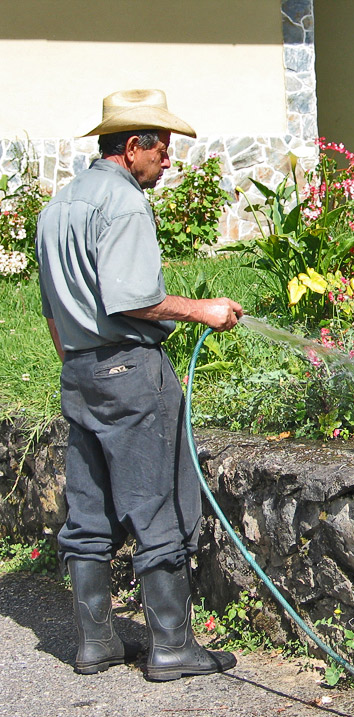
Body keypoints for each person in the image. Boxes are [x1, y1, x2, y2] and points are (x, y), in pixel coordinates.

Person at [35, 89, 243, 681]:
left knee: (89, 510)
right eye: (164, 151)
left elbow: (51, 308)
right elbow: (133, 299)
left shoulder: (58, 206)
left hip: (78, 373)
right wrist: (200, 309)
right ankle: (172, 648)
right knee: (160, 507)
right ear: (134, 147)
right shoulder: (124, 203)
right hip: (130, 374)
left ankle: (95, 644)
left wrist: (83, 363)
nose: (169, 163)